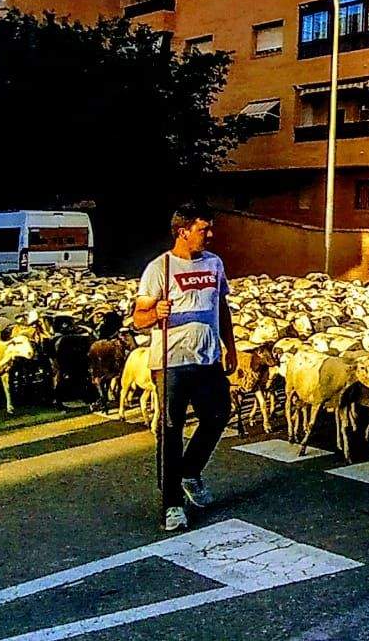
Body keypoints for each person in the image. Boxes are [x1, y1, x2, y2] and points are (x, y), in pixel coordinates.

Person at [131, 205, 236, 532]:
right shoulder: (158, 268)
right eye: (204, 229)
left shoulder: (214, 263)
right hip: (171, 362)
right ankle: (172, 504)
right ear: (183, 231)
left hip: (207, 358)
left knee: (219, 414)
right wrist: (156, 314)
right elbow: (138, 319)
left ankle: (190, 471)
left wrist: (230, 347)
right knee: (170, 430)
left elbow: (221, 306)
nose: (210, 235)